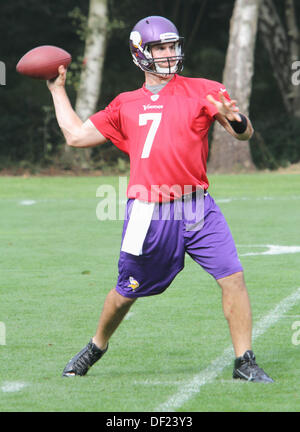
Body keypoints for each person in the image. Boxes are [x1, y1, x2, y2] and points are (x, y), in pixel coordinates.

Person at [47, 16, 273, 382]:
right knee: (126, 292)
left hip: (198, 205)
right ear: (141, 53)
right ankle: (97, 344)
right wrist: (58, 90)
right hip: (148, 210)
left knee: (233, 277)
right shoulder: (125, 103)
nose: (169, 54)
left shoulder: (203, 89)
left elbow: (245, 135)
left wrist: (236, 119)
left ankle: (244, 361)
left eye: (172, 46)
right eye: (160, 48)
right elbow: (75, 136)